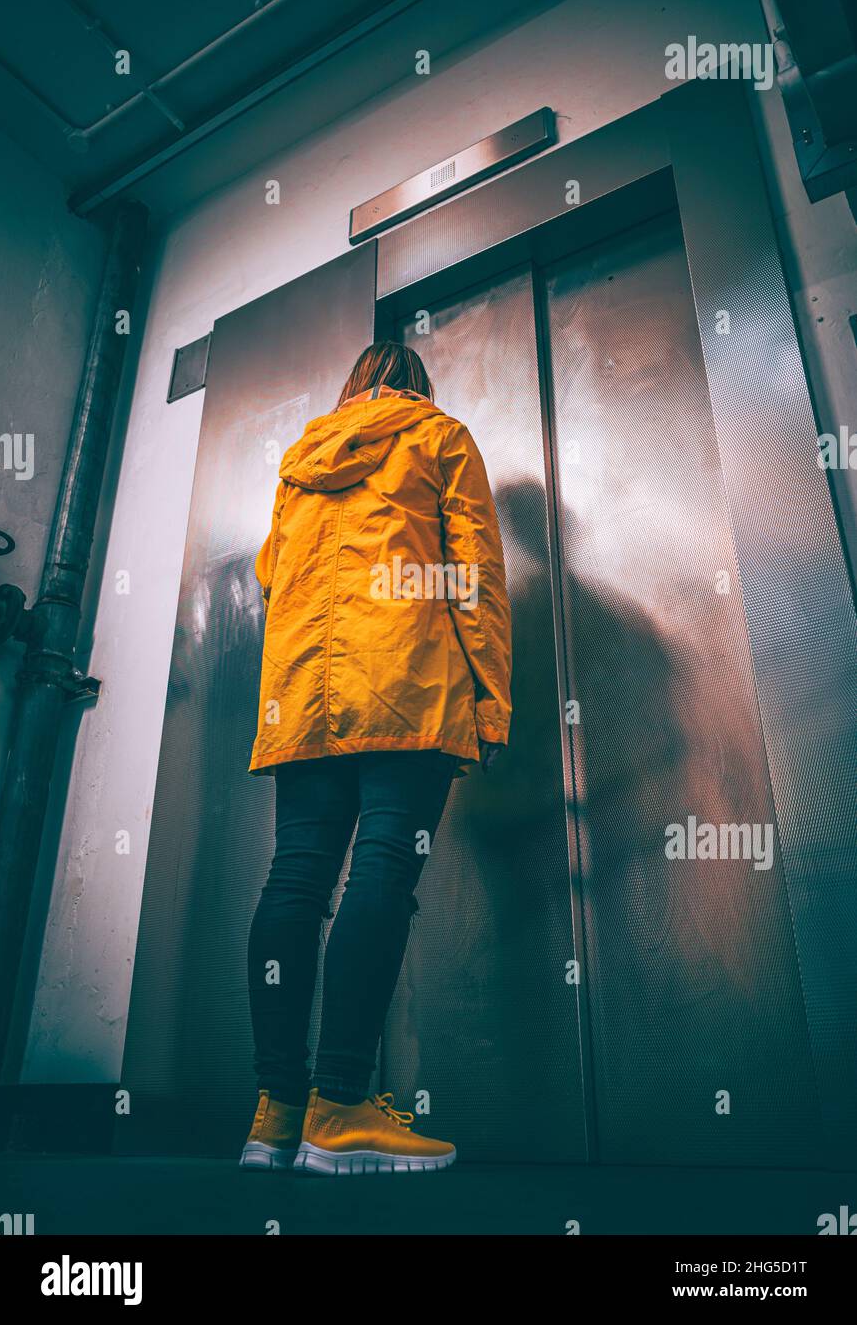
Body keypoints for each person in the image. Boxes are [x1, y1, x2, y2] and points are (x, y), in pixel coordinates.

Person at [240, 340, 512, 1175]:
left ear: (353, 384)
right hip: (405, 685)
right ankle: (342, 1108)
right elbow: (472, 575)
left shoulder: (299, 459)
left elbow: (268, 574)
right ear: (415, 387)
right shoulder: (440, 436)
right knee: (383, 873)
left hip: (303, 694)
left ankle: (276, 1115)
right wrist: (491, 702)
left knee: (295, 879)